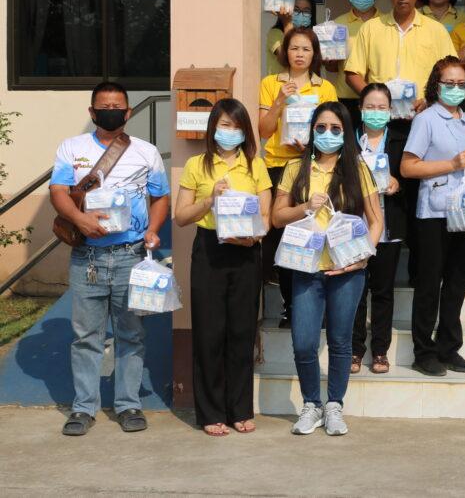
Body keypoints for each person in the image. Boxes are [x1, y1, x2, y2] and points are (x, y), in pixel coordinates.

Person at [50, 82, 170, 436]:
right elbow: (58, 191)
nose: (111, 111)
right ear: (92, 112)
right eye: (104, 107)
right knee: (86, 336)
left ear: (128, 112)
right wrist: (80, 219)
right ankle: (83, 408)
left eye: (117, 107)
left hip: (130, 255)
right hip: (87, 256)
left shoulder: (147, 151)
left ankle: (128, 404)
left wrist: (153, 229)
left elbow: (160, 197)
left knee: (131, 334)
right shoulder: (71, 148)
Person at [272, 101, 383, 436]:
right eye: (321, 127)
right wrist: (305, 207)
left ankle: (334, 405)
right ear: (311, 130)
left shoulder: (358, 169)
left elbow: (376, 221)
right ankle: (311, 404)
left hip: (347, 270)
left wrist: (363, 257)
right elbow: (276, 216)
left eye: (335, 129)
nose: (327, 134)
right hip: (305, 268)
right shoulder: (296, 168)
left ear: (345, 133)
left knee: (340, 341)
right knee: (304, 343)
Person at [344, 0, 454, 285]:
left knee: (418, 197)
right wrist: (375, 99)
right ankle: (375, 269)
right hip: (381, 126)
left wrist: (429, 100)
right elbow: (353, 73)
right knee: (379, 191)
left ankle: (419, 272)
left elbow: (449, 74)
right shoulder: (371, 28)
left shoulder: (435, 31)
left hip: (422, 123)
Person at [175, 99, 271, 436]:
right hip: (209, 250)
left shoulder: (255, 165)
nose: (230, 132)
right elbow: (181, 216)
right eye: (224, 125)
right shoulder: (196, 165)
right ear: (213, 127)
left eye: (237, 126)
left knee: (242, 331)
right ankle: (210, 412)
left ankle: (240, 409)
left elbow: (266, 217)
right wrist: (209, 200)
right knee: (209, 332)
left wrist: (252, 237)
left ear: (246, 132)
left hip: (245, 252)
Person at [401, 56, 465, 375]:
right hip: (434, 211)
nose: (455, 88)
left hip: (464, 211)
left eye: (461, 83)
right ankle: (423, 351)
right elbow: (408, 167)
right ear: (436, 86)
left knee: (457, 281)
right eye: (449, 83)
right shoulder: (426, 120)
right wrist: (450, 165)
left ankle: (449, 347)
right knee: (429, 283)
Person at [259, 27, 338, 327]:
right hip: (278, 165)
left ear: (315, 54)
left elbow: (333, 131)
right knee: (281, 238)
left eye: (306, 49)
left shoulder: (325, 88)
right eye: (294, 48)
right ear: (285, 52)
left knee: (313, 233)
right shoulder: (270, 83)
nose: (300, 54)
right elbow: (264, 130)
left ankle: (317, 305)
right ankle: (289, 306)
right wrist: (279, 101)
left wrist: (312, 146)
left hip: (311, 166)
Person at [351, 83, 408, 374]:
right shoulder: (348, 140)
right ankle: (354, 349)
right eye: (370, 107)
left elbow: (410, 176)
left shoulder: (399, 140)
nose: (376, 112)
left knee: (383, 290)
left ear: (390, 110)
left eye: (381, 107)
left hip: (389, 225)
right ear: (360, 109)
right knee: (356, 290)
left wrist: (398, 183)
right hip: (355, 228)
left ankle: (380, 351)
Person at [332, 0, 383, 126]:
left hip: (378, 100)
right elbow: (331, 67)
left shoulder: (386, 23)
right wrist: (329, 59)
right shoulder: (337, 25)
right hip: (345, 99)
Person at [266, 0, 316, 76]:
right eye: (296, 10)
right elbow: (286, 60)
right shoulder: (275, 33)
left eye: (306, 11)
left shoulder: (313, 36)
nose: (301, 14)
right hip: (280, 83)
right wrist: (287, 23)